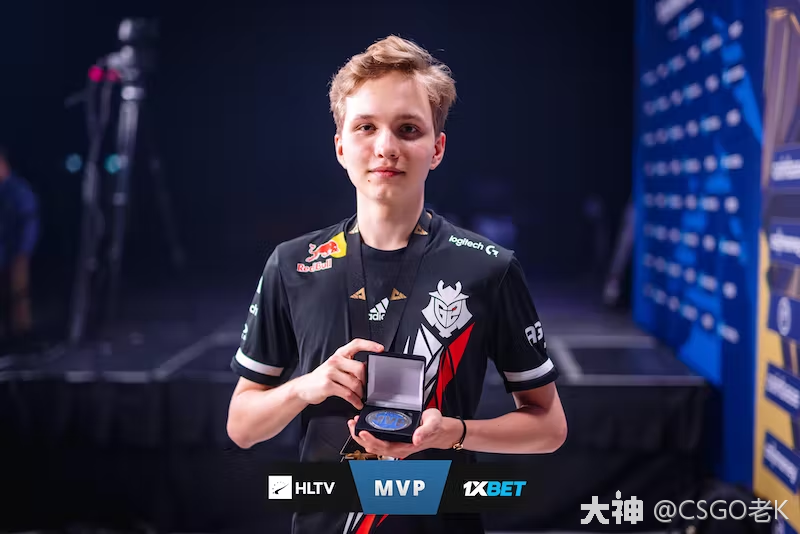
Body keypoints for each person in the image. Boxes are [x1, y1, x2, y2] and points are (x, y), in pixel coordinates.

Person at [227, 35, 567, 534]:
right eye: (366, 127)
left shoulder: (489, 267)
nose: (386, 147)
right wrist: (307, 387)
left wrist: (456, 433)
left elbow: (549, 427)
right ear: (340, 146)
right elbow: (241, 426)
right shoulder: (292, 264)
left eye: (408, 129)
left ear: (437, 148)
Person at [0, 145, 39, 349]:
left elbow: (29, 220)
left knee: (18, 294)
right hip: (3, 252)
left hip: (16, 252)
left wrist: (23, 250)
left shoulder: (17, 189)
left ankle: (23, 335)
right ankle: (9, 336)